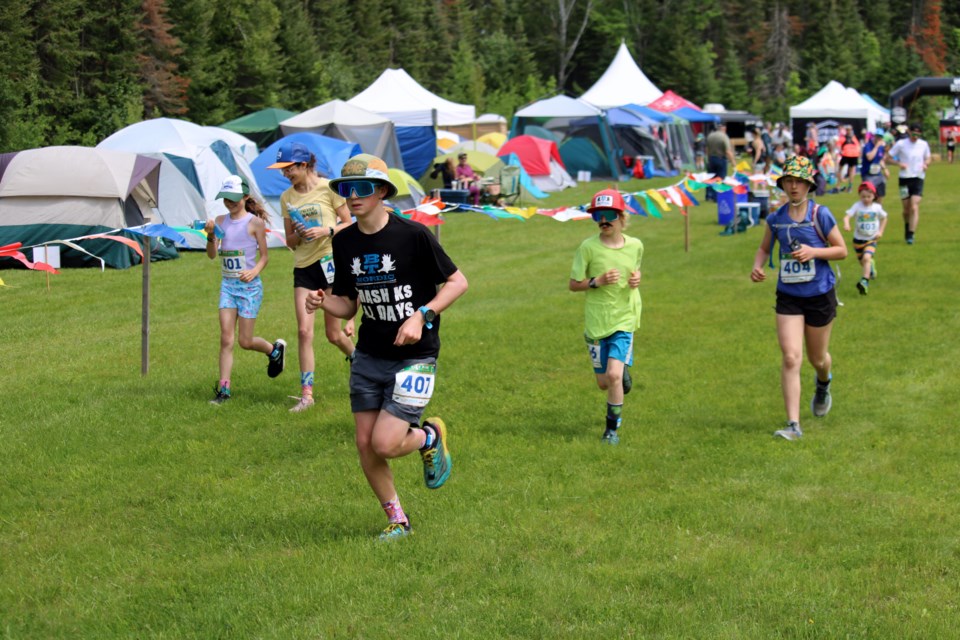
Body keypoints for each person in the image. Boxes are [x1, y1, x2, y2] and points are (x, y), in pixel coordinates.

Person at [305, 154, 469, 540]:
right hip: (368, 356)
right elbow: (348, 302)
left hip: (415, 357)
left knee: (386, 442)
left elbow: (458, 283)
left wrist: (421, 316)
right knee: (365, 444)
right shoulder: (343, 242)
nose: (353, 196)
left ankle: (429, 437)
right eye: (346, 190)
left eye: (362, 189)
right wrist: (322, 302)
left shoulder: (412, 235)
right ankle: (398, 519)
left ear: (381, 191)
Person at [749, 155, 848, 441]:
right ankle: (793, 424)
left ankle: (823, 382)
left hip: (819, 294)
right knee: (791, 357)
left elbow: (841, 250)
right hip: (789, 296)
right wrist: (757, 266)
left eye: (799, 182)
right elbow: (764, 249)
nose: (793, 187)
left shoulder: (820, 214)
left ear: (808, 185)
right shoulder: (775, 219)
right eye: (788, 181)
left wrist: (814, 252)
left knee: (818, 358)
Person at [268, 141, 355, 412]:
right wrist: (297, 234)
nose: (286, 174)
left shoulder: (328, 188)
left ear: (304, 165)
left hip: (330, 264)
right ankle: (307, 395)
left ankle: (360, 360)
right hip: (304, 268)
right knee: (304, 331)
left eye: (289, 168)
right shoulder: (287, 198)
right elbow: (290, 242)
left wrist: (325, 231)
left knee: (332, 334)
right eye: (282, 170)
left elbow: (348, 224)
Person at [569, 189, 643, 445]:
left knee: (611, 375)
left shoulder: (636, 246)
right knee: (604, 382)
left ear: (622, 217)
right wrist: (596, 281)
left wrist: (637, 278)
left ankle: (611, 430)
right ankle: (621, 376)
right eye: (598, 216)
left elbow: (635, 271)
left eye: (609, 215)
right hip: (597, 323)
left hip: (625, 318)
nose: (603, 221)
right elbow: (573, 284)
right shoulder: (587, 248)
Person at [205, 175, 286, 405]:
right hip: (228, 287)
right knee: (226, 339)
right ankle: (223, 390)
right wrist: (211, 235)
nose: (230, 203)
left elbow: (265, 257)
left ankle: (274, 350)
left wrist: (254, 271)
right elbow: (212, 254)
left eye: (234, 199)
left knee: (245, 341)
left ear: (245, 197)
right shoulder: (220, 221)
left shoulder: (255, 223)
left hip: (250, 289)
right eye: (226, 199)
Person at [887, 122, 931, 245]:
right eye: (913, 133)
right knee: (906, 209)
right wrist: (898, 164)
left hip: (918, 177)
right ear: (909, 132)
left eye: (918, 133)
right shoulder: (901, 144)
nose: (915, 136)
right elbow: (888, 157)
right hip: (904, 178)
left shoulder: (923, 144)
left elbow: (928, 157)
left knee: (914, 206)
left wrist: (926, 163)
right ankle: (907, 226)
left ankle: (911, 234)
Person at [843, 181, 888, 296]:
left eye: (869, 196)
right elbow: (847, 216)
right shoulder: (857, 206)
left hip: (871, 239)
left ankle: (864, 281)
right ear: (859, 196)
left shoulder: (877, 208)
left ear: (874, 196)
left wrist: (880, 231)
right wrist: (847, 223)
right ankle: (870, 268)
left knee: (866, 258)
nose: (866, 199)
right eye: (863, 196)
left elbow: (884, 218)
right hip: (858, 240)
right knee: (863, 262)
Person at [859, 131, 889, 203]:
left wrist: (885, 169)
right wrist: (876, 146)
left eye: (880, 137)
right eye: (877, 136)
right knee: (868, 196)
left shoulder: (881, 147)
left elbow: (880, 160)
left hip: (878, 174)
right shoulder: (868, 146)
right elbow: (869, 157)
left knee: (880, 196)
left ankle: (878, 211)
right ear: (874, 136)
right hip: (868, 174)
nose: (879, 138)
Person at [838, 125, 861, 192]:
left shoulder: (847, 138)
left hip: (848, 154)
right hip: (850, 154)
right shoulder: (852, 138)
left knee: (842, 170)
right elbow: (858, 146)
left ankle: (843, 185)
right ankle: (842, 185)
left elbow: (839, 146)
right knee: (848, 170)